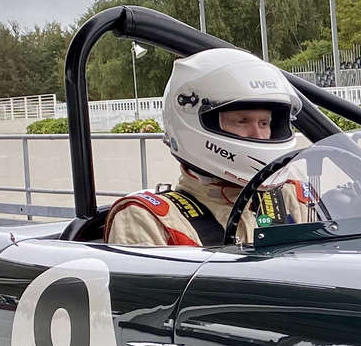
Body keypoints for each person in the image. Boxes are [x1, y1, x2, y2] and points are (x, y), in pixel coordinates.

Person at [104, 47, 309, 248]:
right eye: (242, 121)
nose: (258, 135)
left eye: (264, 123)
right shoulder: (147, 219)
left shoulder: (289, 197)